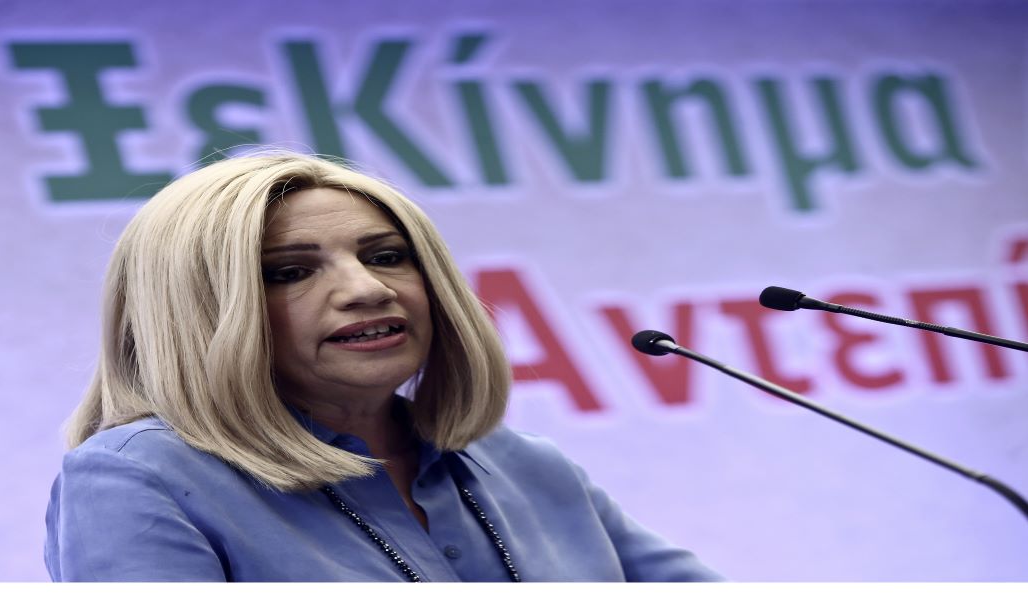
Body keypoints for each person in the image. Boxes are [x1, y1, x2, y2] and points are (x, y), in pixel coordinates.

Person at [44, 152, 723, 582]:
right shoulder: (141, 477)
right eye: (290, 271)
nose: (367, 289)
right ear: (199, 310)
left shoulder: (523, 463)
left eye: (387, 256)